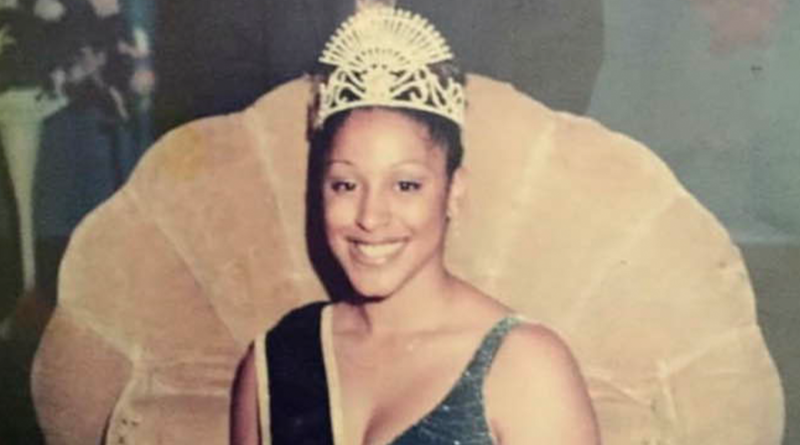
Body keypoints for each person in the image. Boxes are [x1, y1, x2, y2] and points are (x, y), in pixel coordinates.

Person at [230, 7, 599, 445]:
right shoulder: (276, 360)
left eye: (405, 185)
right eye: (345, 184)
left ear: (454, 189)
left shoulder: (525, 366)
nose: (370, 217)